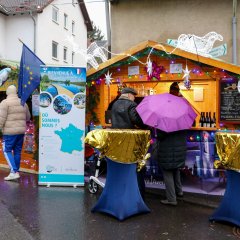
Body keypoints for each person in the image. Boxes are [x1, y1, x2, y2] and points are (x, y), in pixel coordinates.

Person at [154, 82, 187, 206]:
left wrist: (157, 131)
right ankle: (179, 192)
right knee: (176, 169)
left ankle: (171, 199)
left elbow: (162, 134)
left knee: (168, 171)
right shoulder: (183, 111)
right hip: (180, 147)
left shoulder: (165, 115)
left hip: (167, 148)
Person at [111, 87, 147, 199]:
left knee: (120, 166)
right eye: (134, 96)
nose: (134, 98)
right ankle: (137, 193)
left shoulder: (115, 104)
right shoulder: (131, 105)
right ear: (129, 95)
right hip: (130, 141)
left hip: (117, 140)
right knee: (135, 167)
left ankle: (121, 191)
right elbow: (136, 120)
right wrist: (145, 124)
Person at [0, 85, 31, 181]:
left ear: (7, 93)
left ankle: (14, 172)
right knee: (17, 152)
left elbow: (1, 119)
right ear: (16, 92)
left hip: (9, 132)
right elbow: (28, 117)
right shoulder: (23, 103)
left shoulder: (4, 103)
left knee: (6, 150)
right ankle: (15, 171)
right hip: (21, 132)